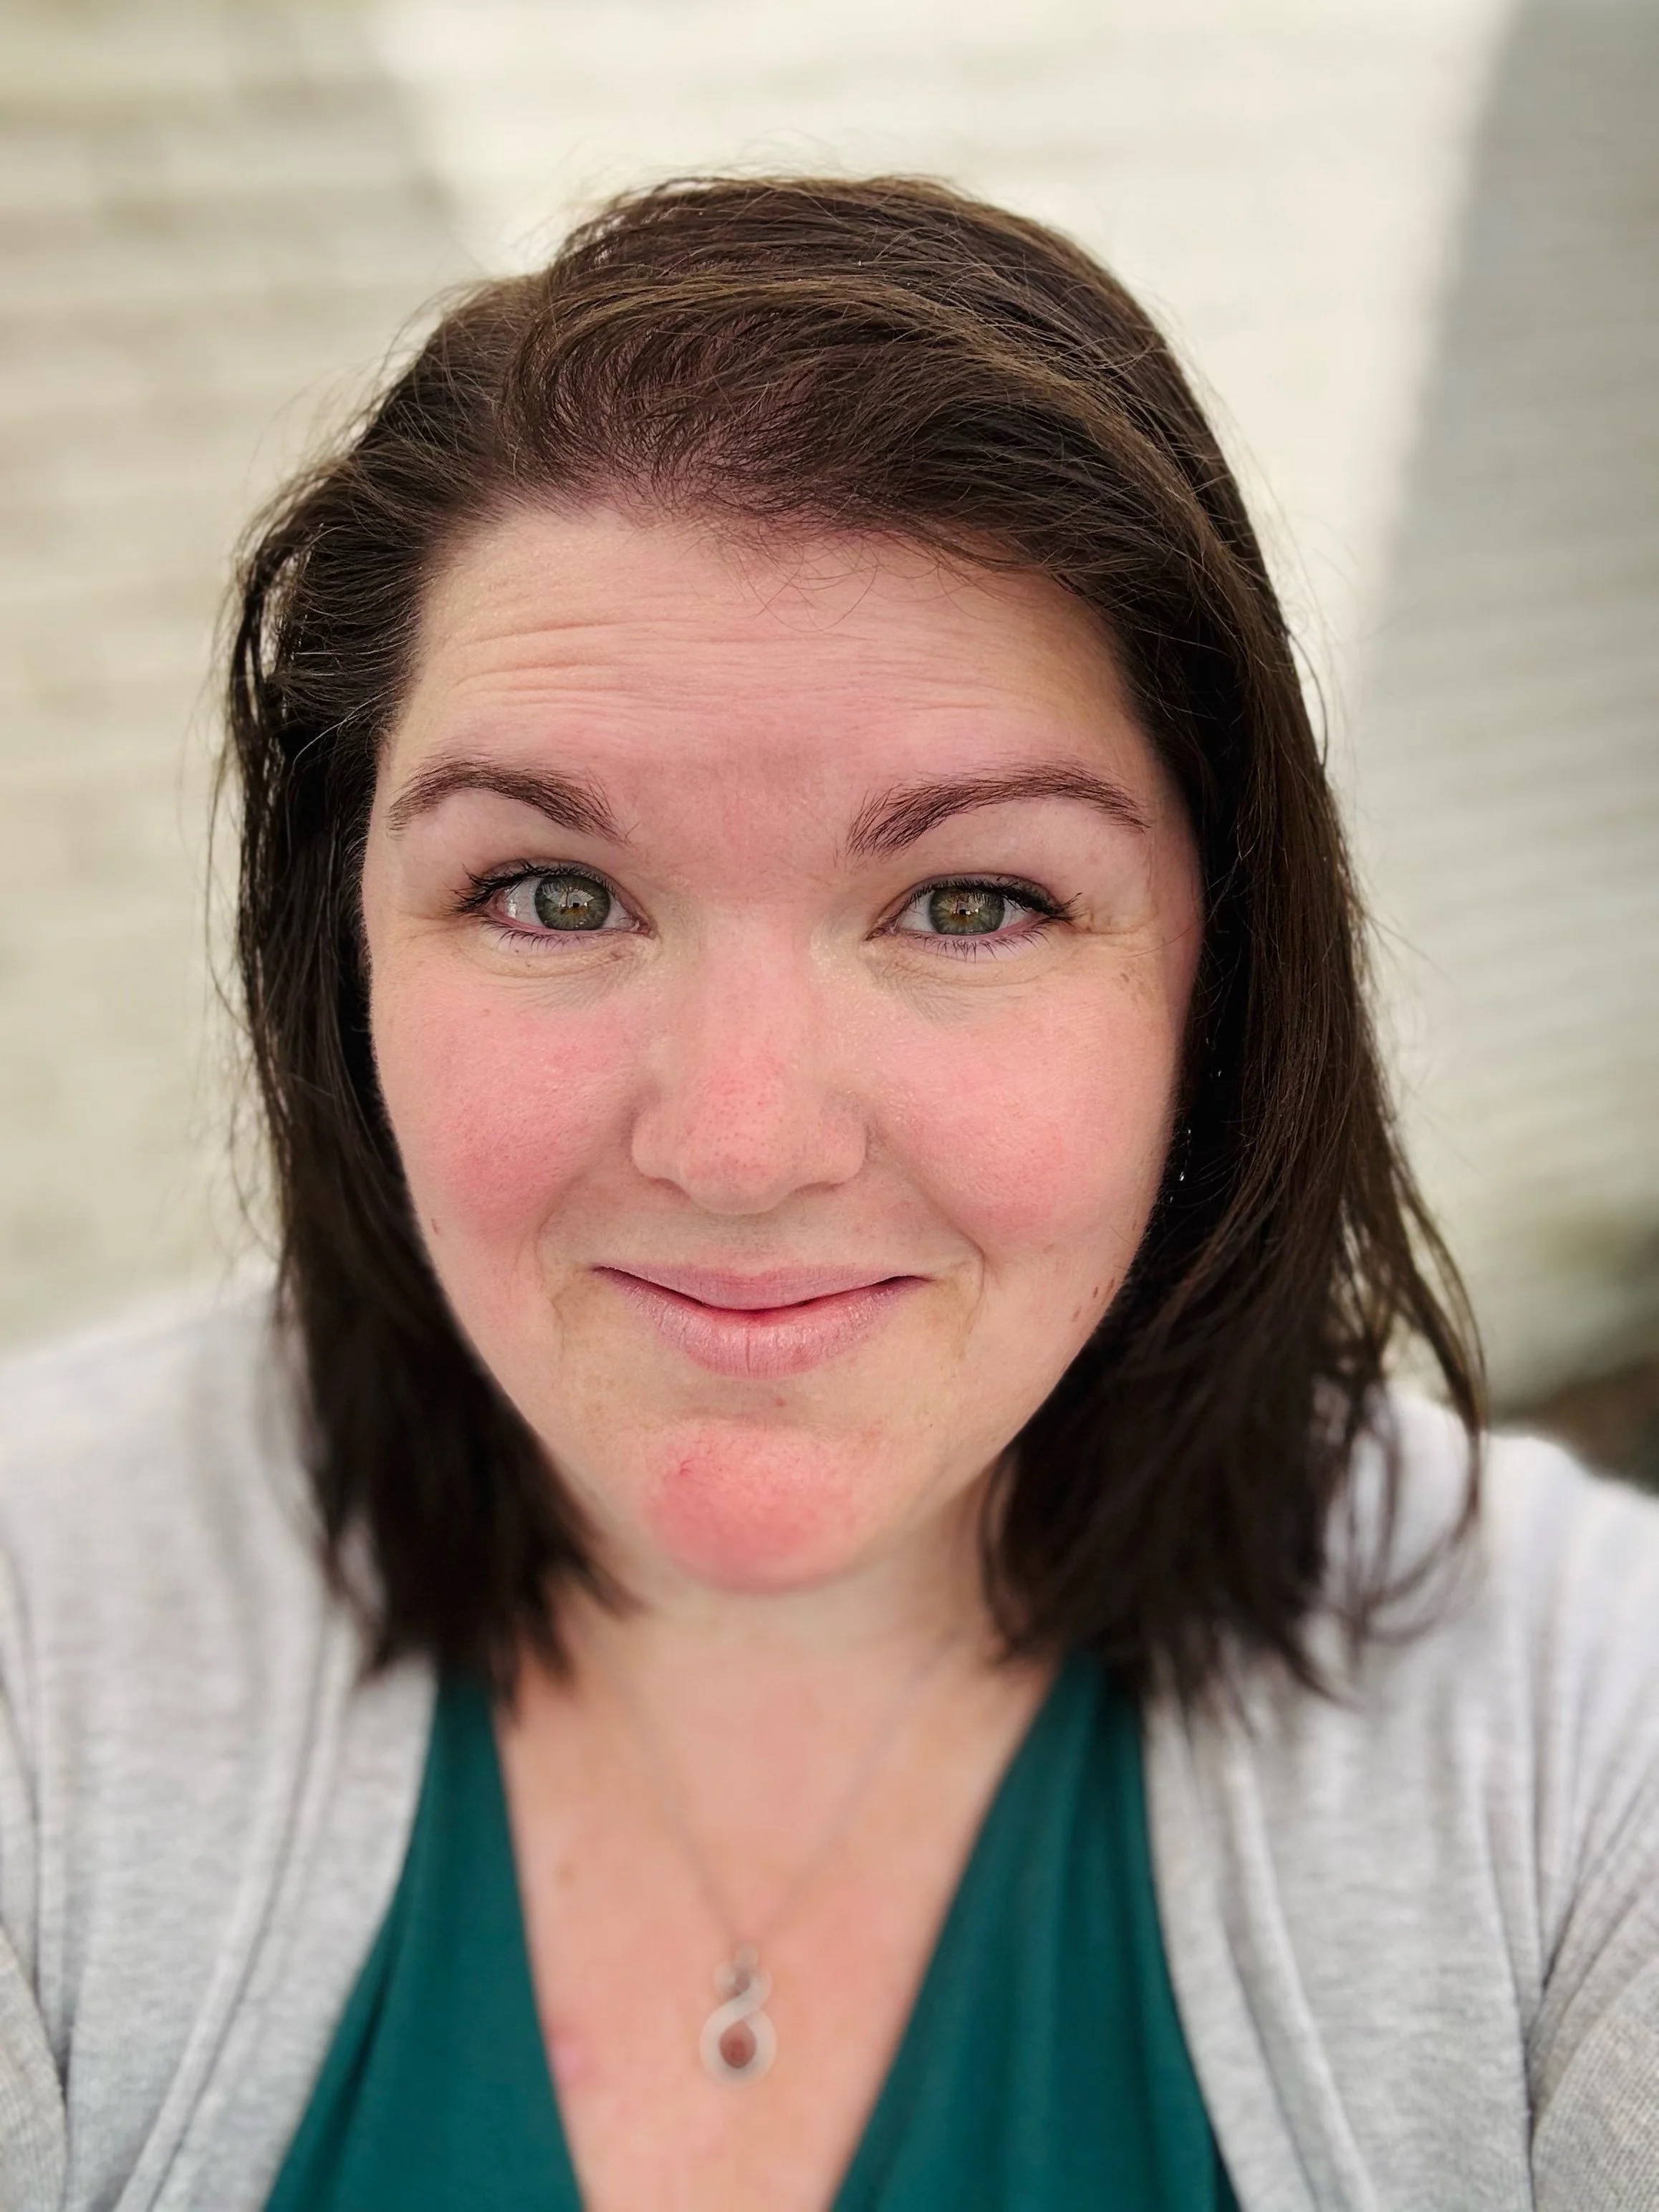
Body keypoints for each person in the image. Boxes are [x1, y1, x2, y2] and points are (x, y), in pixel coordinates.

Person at [1, 175, 1655, 2212]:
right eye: (548, 891)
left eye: (969, 901)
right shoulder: (32, 1635)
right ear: (340, 961)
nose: (740, 1140)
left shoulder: (1596, 1747)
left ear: (1216, 979)